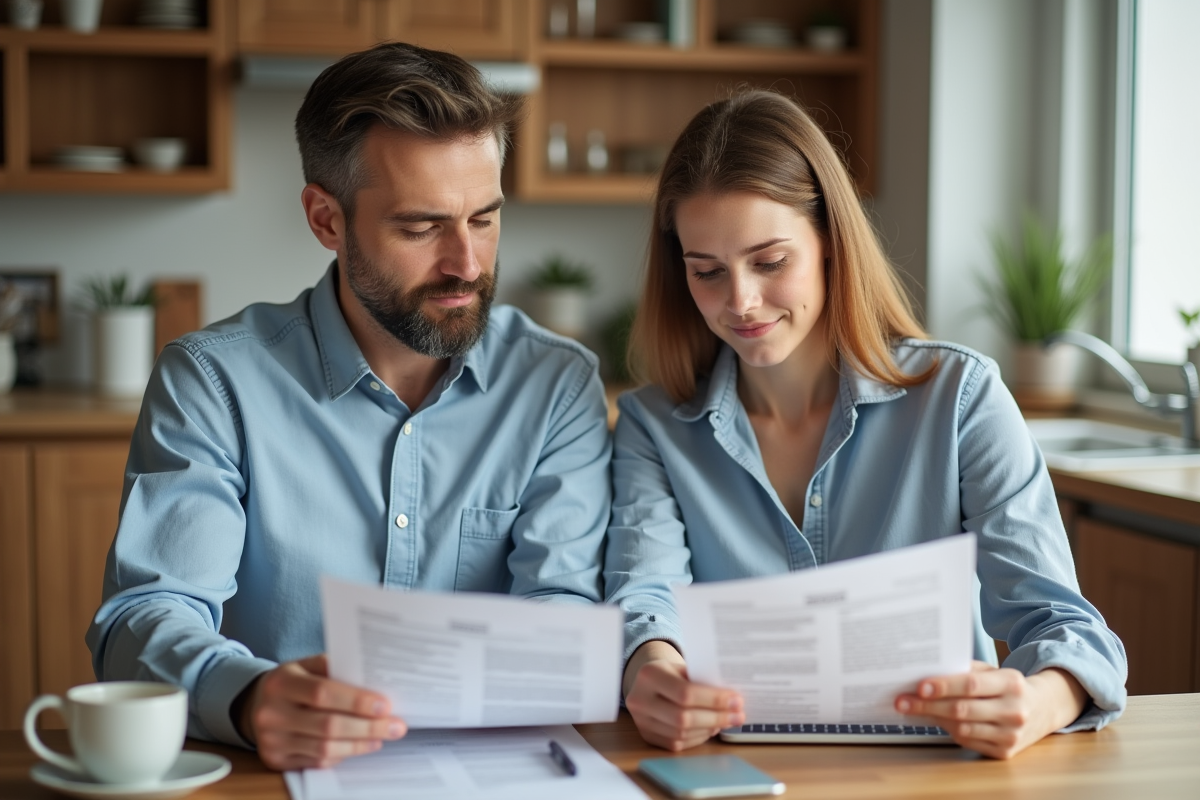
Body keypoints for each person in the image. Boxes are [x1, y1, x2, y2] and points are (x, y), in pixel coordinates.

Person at [87, 42, 612, 772]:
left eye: (484, 219)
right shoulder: (213, 382)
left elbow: (564, 611)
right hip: (273, 778)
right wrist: (247, 697)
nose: (466, 262)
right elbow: (142, 620)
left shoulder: (556, 385)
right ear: (326, 220)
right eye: (422, 227)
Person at [604, 90, 1127, 760]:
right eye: (707, 272)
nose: (740, 302)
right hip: (736, 773)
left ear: (830, 244)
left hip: (935, 775)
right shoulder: (653, 426)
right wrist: (653, 671)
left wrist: (1040, 701)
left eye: (770, 262)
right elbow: (647, 599)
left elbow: (1065, 624)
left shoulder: (960, 397)